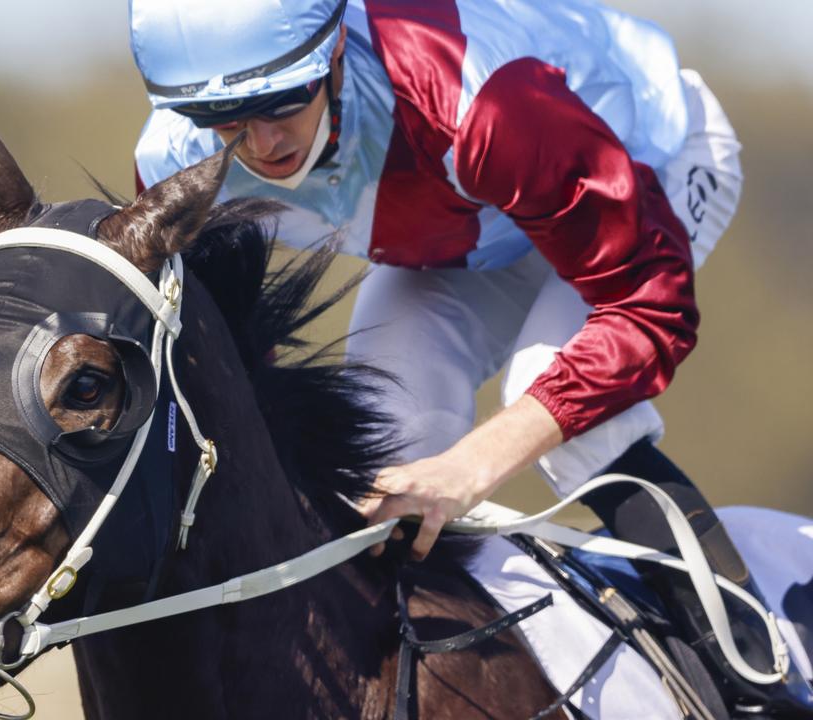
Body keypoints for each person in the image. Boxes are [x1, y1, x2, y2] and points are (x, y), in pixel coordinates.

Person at [128, 0, 813, 714]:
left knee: (563, 411)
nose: (263, 142)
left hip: (641, 166)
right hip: (461, 223)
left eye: (280, 100)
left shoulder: (475, 101)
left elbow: (649, 307)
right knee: (382, 448)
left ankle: (756, 672)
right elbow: (235, 369)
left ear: (331, 54)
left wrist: (470, 468)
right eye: (228, 117)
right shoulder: (177, 165)